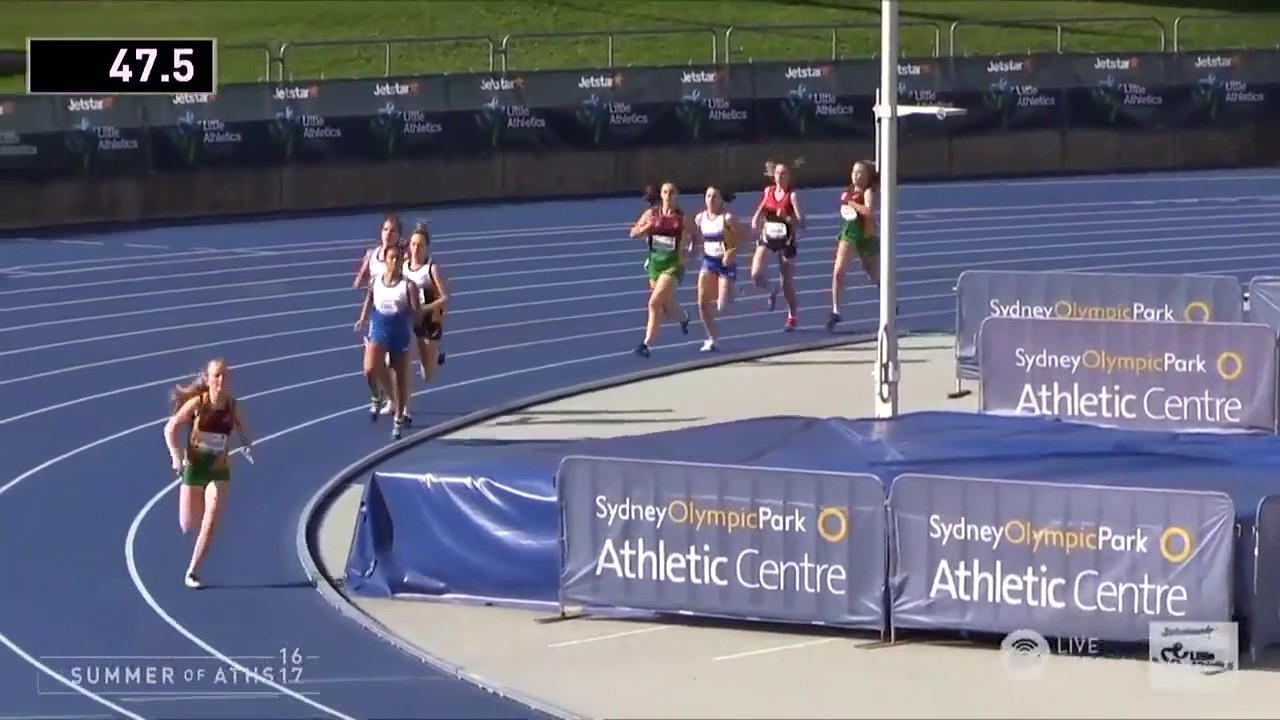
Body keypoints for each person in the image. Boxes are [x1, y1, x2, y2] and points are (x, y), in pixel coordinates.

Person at [163, 358, 253, 589]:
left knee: (210, 520)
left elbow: (245, 432)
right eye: (217, 376)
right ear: (209, 379)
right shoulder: (197, 404)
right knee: (188, 524)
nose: (221, 379)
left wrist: (247, 446)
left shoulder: (234, 407)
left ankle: (192, 571)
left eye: (225, 375)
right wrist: (176, 457)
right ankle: (194, 526)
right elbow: (170, 428)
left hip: (218, 470)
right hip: (194, 468)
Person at [354, 242, 420, 439]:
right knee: (369, 368)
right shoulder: (376, 281)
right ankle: (376, 396)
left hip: (399, 332)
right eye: (392, 258)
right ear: (386, 261)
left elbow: (416, 314)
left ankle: (398, 421)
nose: (396, 262)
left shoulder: (408, 286)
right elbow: (370, 298)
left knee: (399, 380)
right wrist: (363, 317)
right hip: (380, 328)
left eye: (399, 259)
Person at [630, 181, 691, 358]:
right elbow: (633, 233)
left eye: (672, 192)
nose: (668, 196)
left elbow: (695, 236)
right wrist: (645, 228)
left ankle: (646, 344)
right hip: (655, 264)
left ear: (676, 195)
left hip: (673, 265)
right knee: (665, 307)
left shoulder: (682, 218)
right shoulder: (651, 214)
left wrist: (688, 254)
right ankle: (684, 317)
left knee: (654, 302)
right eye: (665, 192)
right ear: (661, 195)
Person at [353, 215, 402, 415]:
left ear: (399, 235)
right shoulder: (373, 255)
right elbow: (367, 286)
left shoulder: (401, 258)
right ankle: (390, 398)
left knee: (394, 365)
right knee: (371, 368)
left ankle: (398, 404)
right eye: (385, 230)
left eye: (392, 231)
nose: (388, 234)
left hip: (399, 317)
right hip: (378, 317)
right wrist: (364, 316)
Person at [750, 162, 804, 331]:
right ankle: (772, 289)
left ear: (788, 177)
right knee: (756, 274)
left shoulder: (792, 196)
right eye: (777, 174)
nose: (780, 177)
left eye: (783, 174)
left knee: (787, 281)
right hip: (768, 237)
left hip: (786, 239)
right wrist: (755, 220)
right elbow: (761, 208)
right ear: (773, 176)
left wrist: (787, 217)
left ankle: (792, 316)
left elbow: (802, 222)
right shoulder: (769, 192)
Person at [828, 161, 881, 331]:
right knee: (838, 272)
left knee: (873, 276)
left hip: (866, 236)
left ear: (867, 176)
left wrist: (851, 203)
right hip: (849, 234)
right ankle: (836, 310)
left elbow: (869, 212)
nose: (855, 176)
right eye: (854, 172)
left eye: (860, 173)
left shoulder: (868, 192)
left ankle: (889, 300)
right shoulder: (849, 191)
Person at [402, 224, 450, 388]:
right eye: (413, 244)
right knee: (397, 357)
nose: (416, 249)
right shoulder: (403, 266)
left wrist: (426, 308)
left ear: (426, 247)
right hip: (411, 319)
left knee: (426, 375)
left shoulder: (431, 269)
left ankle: (435, 356)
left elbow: (445, 297)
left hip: (430, 321)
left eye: (420, 245)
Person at [693, 186, 740, 352]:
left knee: (722, 306)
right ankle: (712, 339)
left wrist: (732, 252)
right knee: (702, 304)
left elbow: (742, 238)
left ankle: (734, 288)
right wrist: (691, 249)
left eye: (714, 197)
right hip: (708, 262)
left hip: (725, 264)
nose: (711, 200)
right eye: (708, 196)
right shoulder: (700, 218)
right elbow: (697, 236)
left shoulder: (728, 218)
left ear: (721, 200)